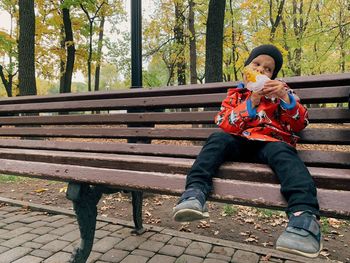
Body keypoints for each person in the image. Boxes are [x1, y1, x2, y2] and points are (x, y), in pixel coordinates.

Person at [172, 44, 322, 258]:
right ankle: (194, 193)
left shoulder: (284, 94)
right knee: (217, 138)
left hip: (271, 142)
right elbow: (224, 122)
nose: (261, 70)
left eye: (268, 69)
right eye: (257, 64)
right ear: (246, 68)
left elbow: (300, 124)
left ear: (274, 76)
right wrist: (251, 102)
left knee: (285, 153)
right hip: (239, 141)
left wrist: (286, 99)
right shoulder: (235, 95)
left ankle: (304, 217)